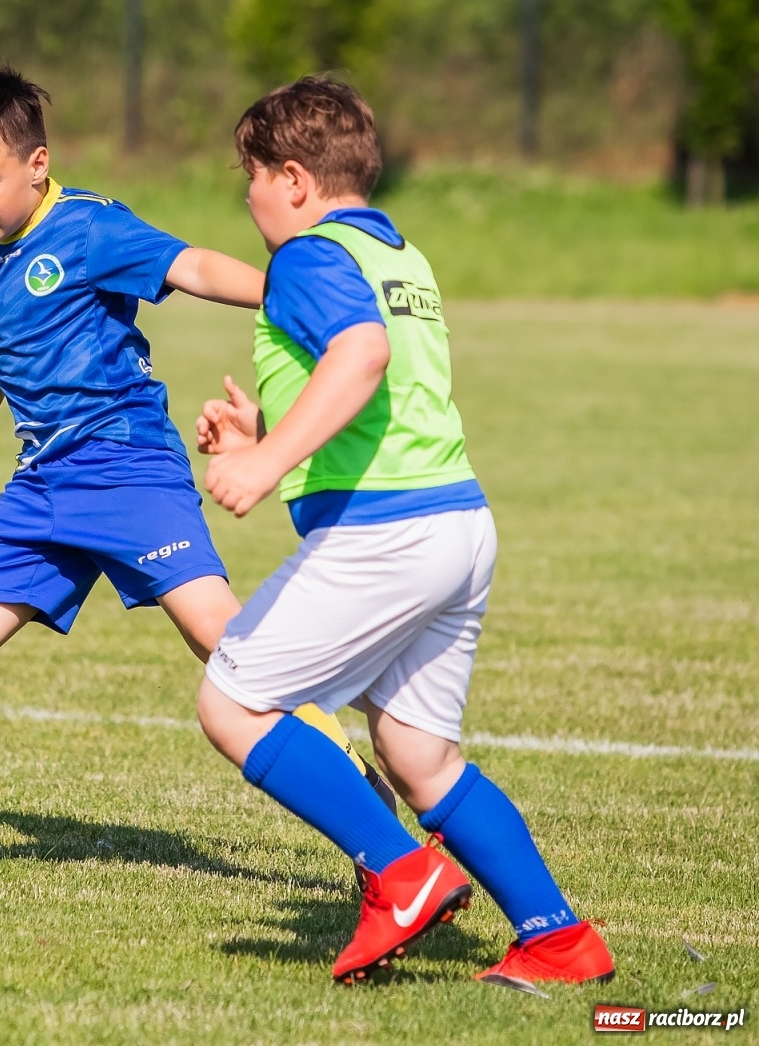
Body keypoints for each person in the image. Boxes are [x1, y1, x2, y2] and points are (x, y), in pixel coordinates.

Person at [0, 66, 393, 886]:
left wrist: (287, 292)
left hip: (124, 467)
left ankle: (362, 799)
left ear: (37, 164)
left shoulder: (89, 230)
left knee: (222, 643)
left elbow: (191, 267)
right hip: (41, 480)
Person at [192, 75, 614, 986]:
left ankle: (404, 873)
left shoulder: (307, 256)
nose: (250, 197)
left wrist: (263, 468)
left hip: (386, 532)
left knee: (230, 703)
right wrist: (268, 434)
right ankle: (558, 938)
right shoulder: (398, 256)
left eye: (252, 178)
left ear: (295, 180)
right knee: (420, 754)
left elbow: (363, 356)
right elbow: (387, 397)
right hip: (456, 522)